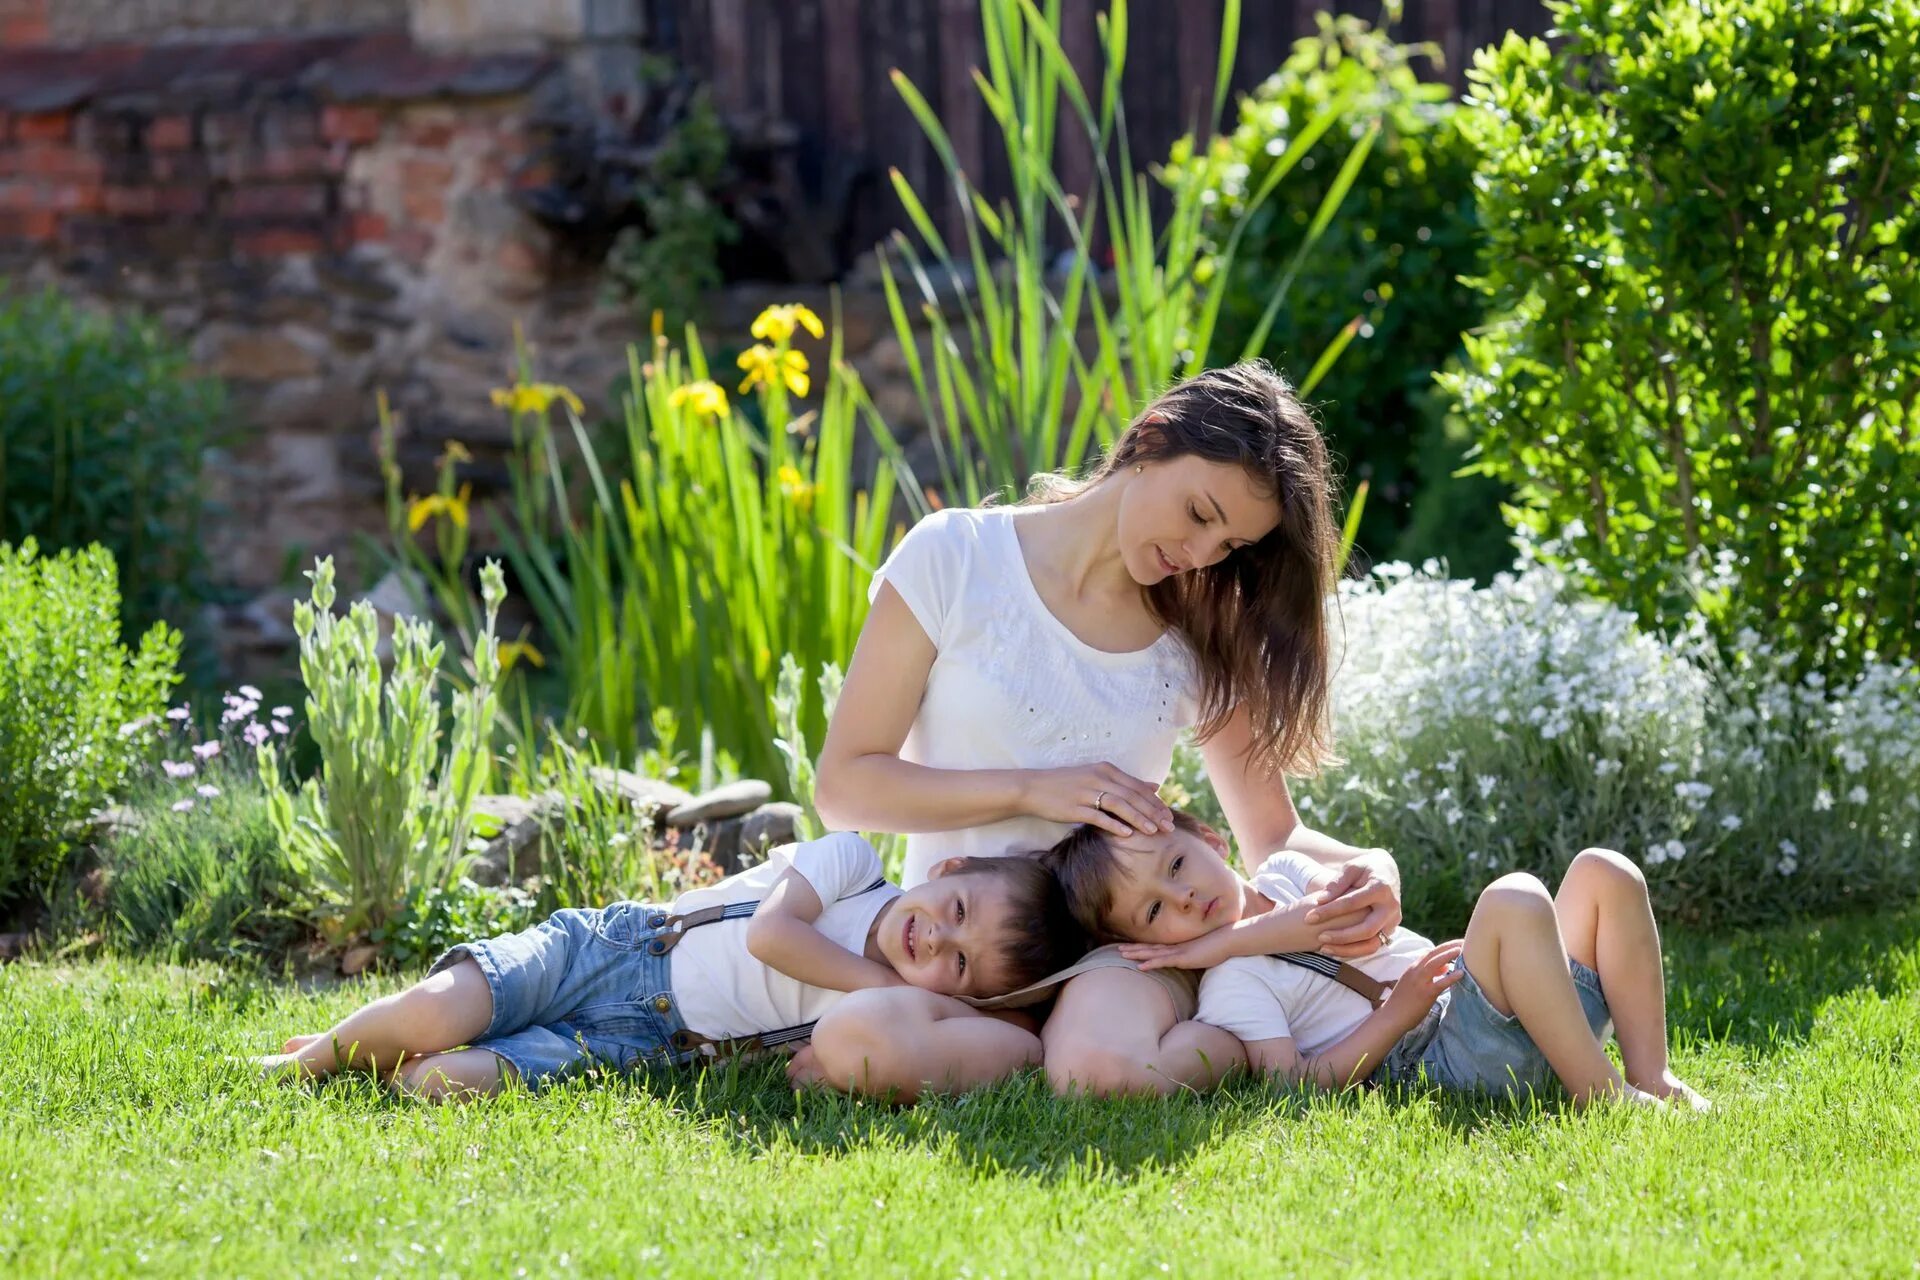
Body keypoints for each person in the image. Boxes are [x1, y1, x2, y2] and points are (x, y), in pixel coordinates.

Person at [797, 361, 1404, 1098]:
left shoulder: (1196, 636)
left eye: (1231, 546)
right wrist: (1035, 790)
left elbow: (1272, 837)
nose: (1204, 553)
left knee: (1095, 1071)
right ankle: (1012, 1039)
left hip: (1118, 960)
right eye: (1201, 513)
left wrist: (1372, 865)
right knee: (868, 1049)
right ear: (1150, 439)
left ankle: (1206, 1038)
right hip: (963, 948)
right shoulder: (955, 557)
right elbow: (846, 787)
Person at [253, 832, 1085, 1099]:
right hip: (611, 953)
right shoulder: (855, 864)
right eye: (958, 913)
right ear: (948, 871)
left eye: (961, 966)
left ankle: (366, 1056)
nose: (936, 943)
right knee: (435, 1010)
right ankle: (312, 1060)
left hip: (650, 1044)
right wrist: (882, 983)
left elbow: (814, 1064)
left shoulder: (893, 1007)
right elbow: (770, 936)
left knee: (440, 1080)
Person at [1048, 811, 1710, 1109]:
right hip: (1445, 1054)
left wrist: (1220, 935)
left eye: (1176, 866)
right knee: (1513, 899)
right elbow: (1290, 1087)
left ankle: (1651, 1076)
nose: (1185, 897)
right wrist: (1397, 1014)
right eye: (1157, 913)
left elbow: (1320, 915)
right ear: (1151, 943)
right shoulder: (1232, 984)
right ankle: (1602, 1097)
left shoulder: (1281, 871)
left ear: (1209, 838)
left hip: (1514, 1011)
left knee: (1604, 872)